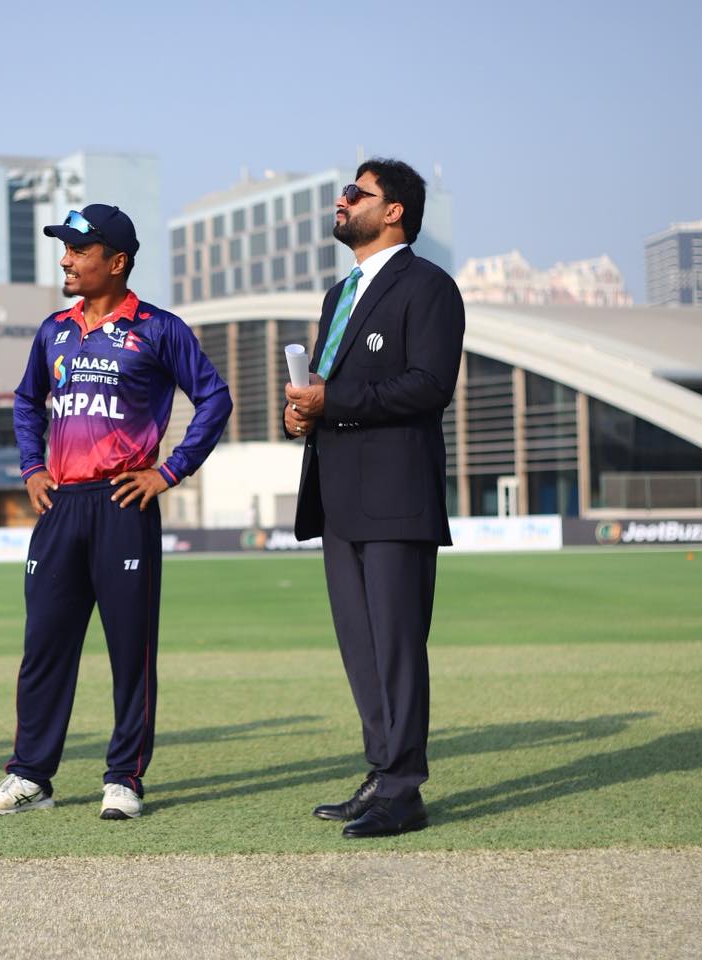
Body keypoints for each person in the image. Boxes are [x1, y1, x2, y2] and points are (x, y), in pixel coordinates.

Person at [0, 204, 232, 820]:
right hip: (60, 506)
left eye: (78, 250)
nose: (65, 260)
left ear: (116, 262)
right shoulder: (53, 330)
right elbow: (27, 401)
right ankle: (30, 777)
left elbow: (214, 399)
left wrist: (169, 471)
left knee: (129, 651)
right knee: (44, 647)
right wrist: (31, 467)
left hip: (123, 504)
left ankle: (124, 778)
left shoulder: (159, 328)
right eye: (64, 249)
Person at [284, 159, 465, 838]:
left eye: (356, 193)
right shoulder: (340, 294)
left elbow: (430, 385)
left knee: (396, 648)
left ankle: (404, 790)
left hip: (396, 497)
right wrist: (301, 414)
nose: (343, 200)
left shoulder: (430, 287)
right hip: (337, 498)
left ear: (394, 211)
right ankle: (382, 772)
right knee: (362, 652)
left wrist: (333, 400)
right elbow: (328, 387)